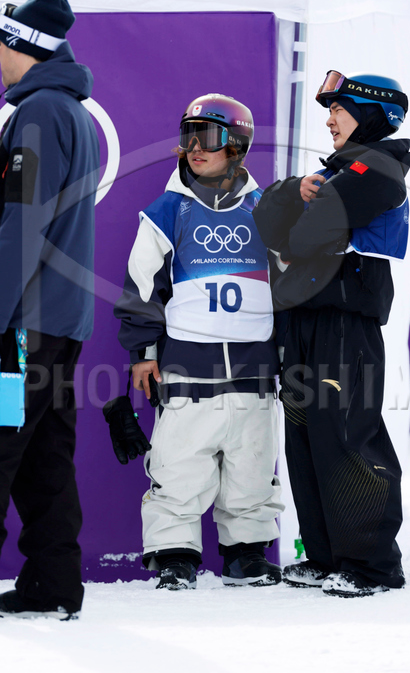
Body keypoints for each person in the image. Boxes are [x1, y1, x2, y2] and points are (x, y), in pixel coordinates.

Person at [112, 93, 283, 590]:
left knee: (252, 464)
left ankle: (246, 555)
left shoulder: (265, 208)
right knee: (178, 463)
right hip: (187, 365)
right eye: (188, 137)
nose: (195, 148)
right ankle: (174, 556)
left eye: (207, 137)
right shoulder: (168, 210)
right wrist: (143, 354)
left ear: (237, 145)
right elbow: (142, 286)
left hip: (254, 364)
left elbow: (289, 286)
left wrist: (291, 355)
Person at [253, 71, 410, 598]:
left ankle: (372, 565)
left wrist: (298, 226)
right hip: (305, 318)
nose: (329, 120)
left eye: (339, 109)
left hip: (346, 323)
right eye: (328, 110)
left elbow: (304, 237)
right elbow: (266, 222)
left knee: (346, 435)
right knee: (305, 440)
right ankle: (325, 556)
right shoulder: (335, 172)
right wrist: (292, 192)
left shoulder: (377, 167)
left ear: (371, 114)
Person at [0, 0, 100, 619]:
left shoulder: (38, 113)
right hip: (58, 324)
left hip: (22, 327)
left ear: (19, 45)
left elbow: (20, 226)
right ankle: (53, 586)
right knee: (44, 457)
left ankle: (52, 585)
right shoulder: (69, 111)